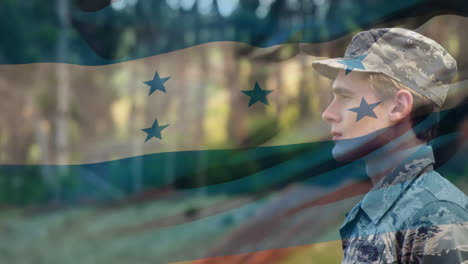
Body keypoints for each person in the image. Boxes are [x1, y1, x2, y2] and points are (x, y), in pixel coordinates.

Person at [312, 28, 468, 263]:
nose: (328, 114)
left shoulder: (435, 215)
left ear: (398, 106)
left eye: (345, 97)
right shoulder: (377, 208)